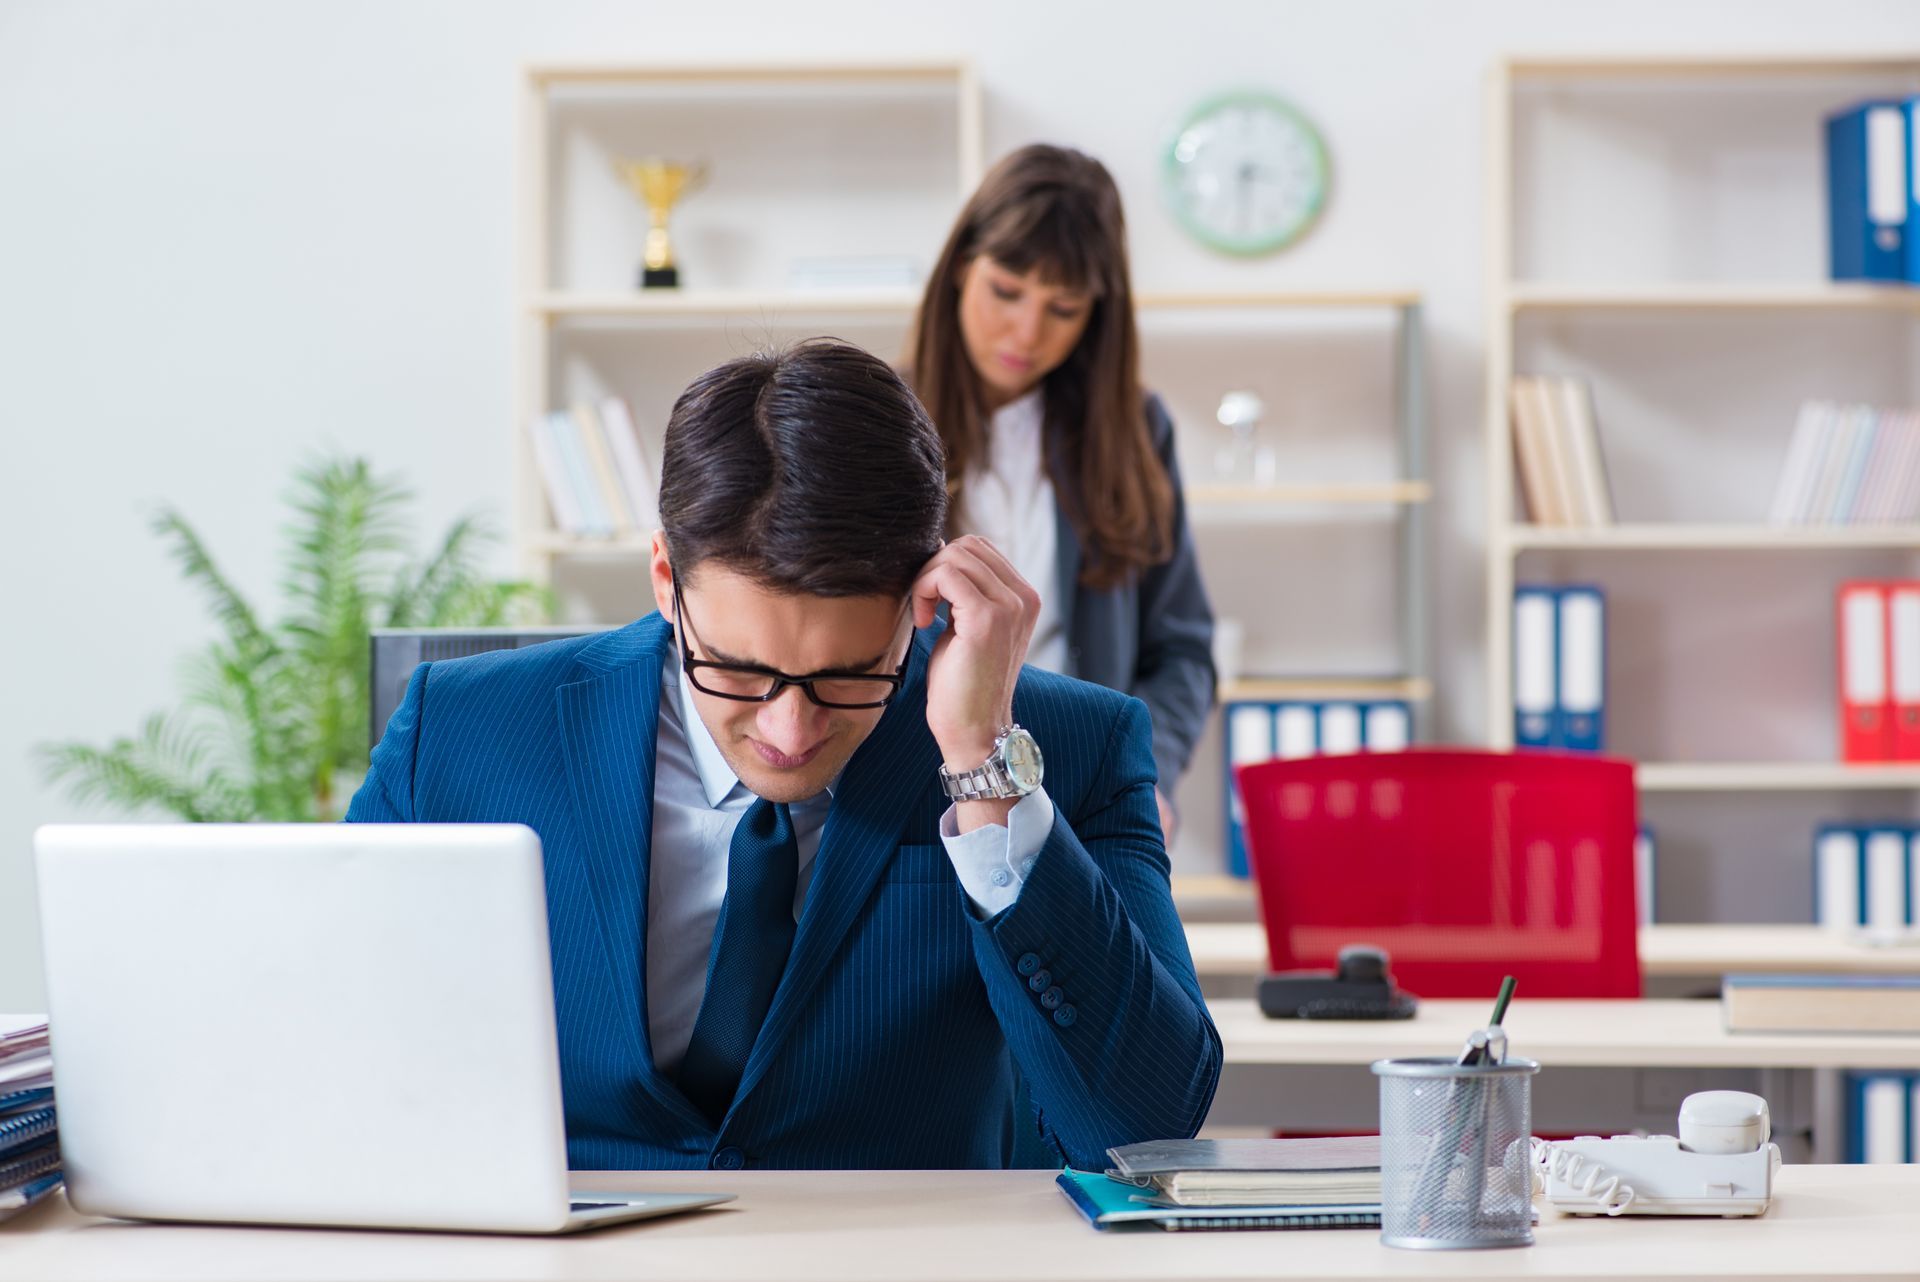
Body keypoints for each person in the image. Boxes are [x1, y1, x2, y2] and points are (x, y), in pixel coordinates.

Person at [346, 339, 1221, 1171]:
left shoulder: (1068, 748)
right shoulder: (460, 733)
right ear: (664, 580)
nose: (790, 730)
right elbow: (333, 1044)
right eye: (736, 669)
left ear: (922, 606)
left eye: (848, 674)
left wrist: (981, 766)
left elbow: (1141, 1130)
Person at [906, 143, 1215, 841]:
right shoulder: (884, 415)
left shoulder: (1137, 429)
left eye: (1064, 308)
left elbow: (1183, 651)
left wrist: (1149, 773)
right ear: (962, 268)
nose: (1027, 332)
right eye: (1007, 292)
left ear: (1097, 314)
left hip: (1087, 800)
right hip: (917, 805)